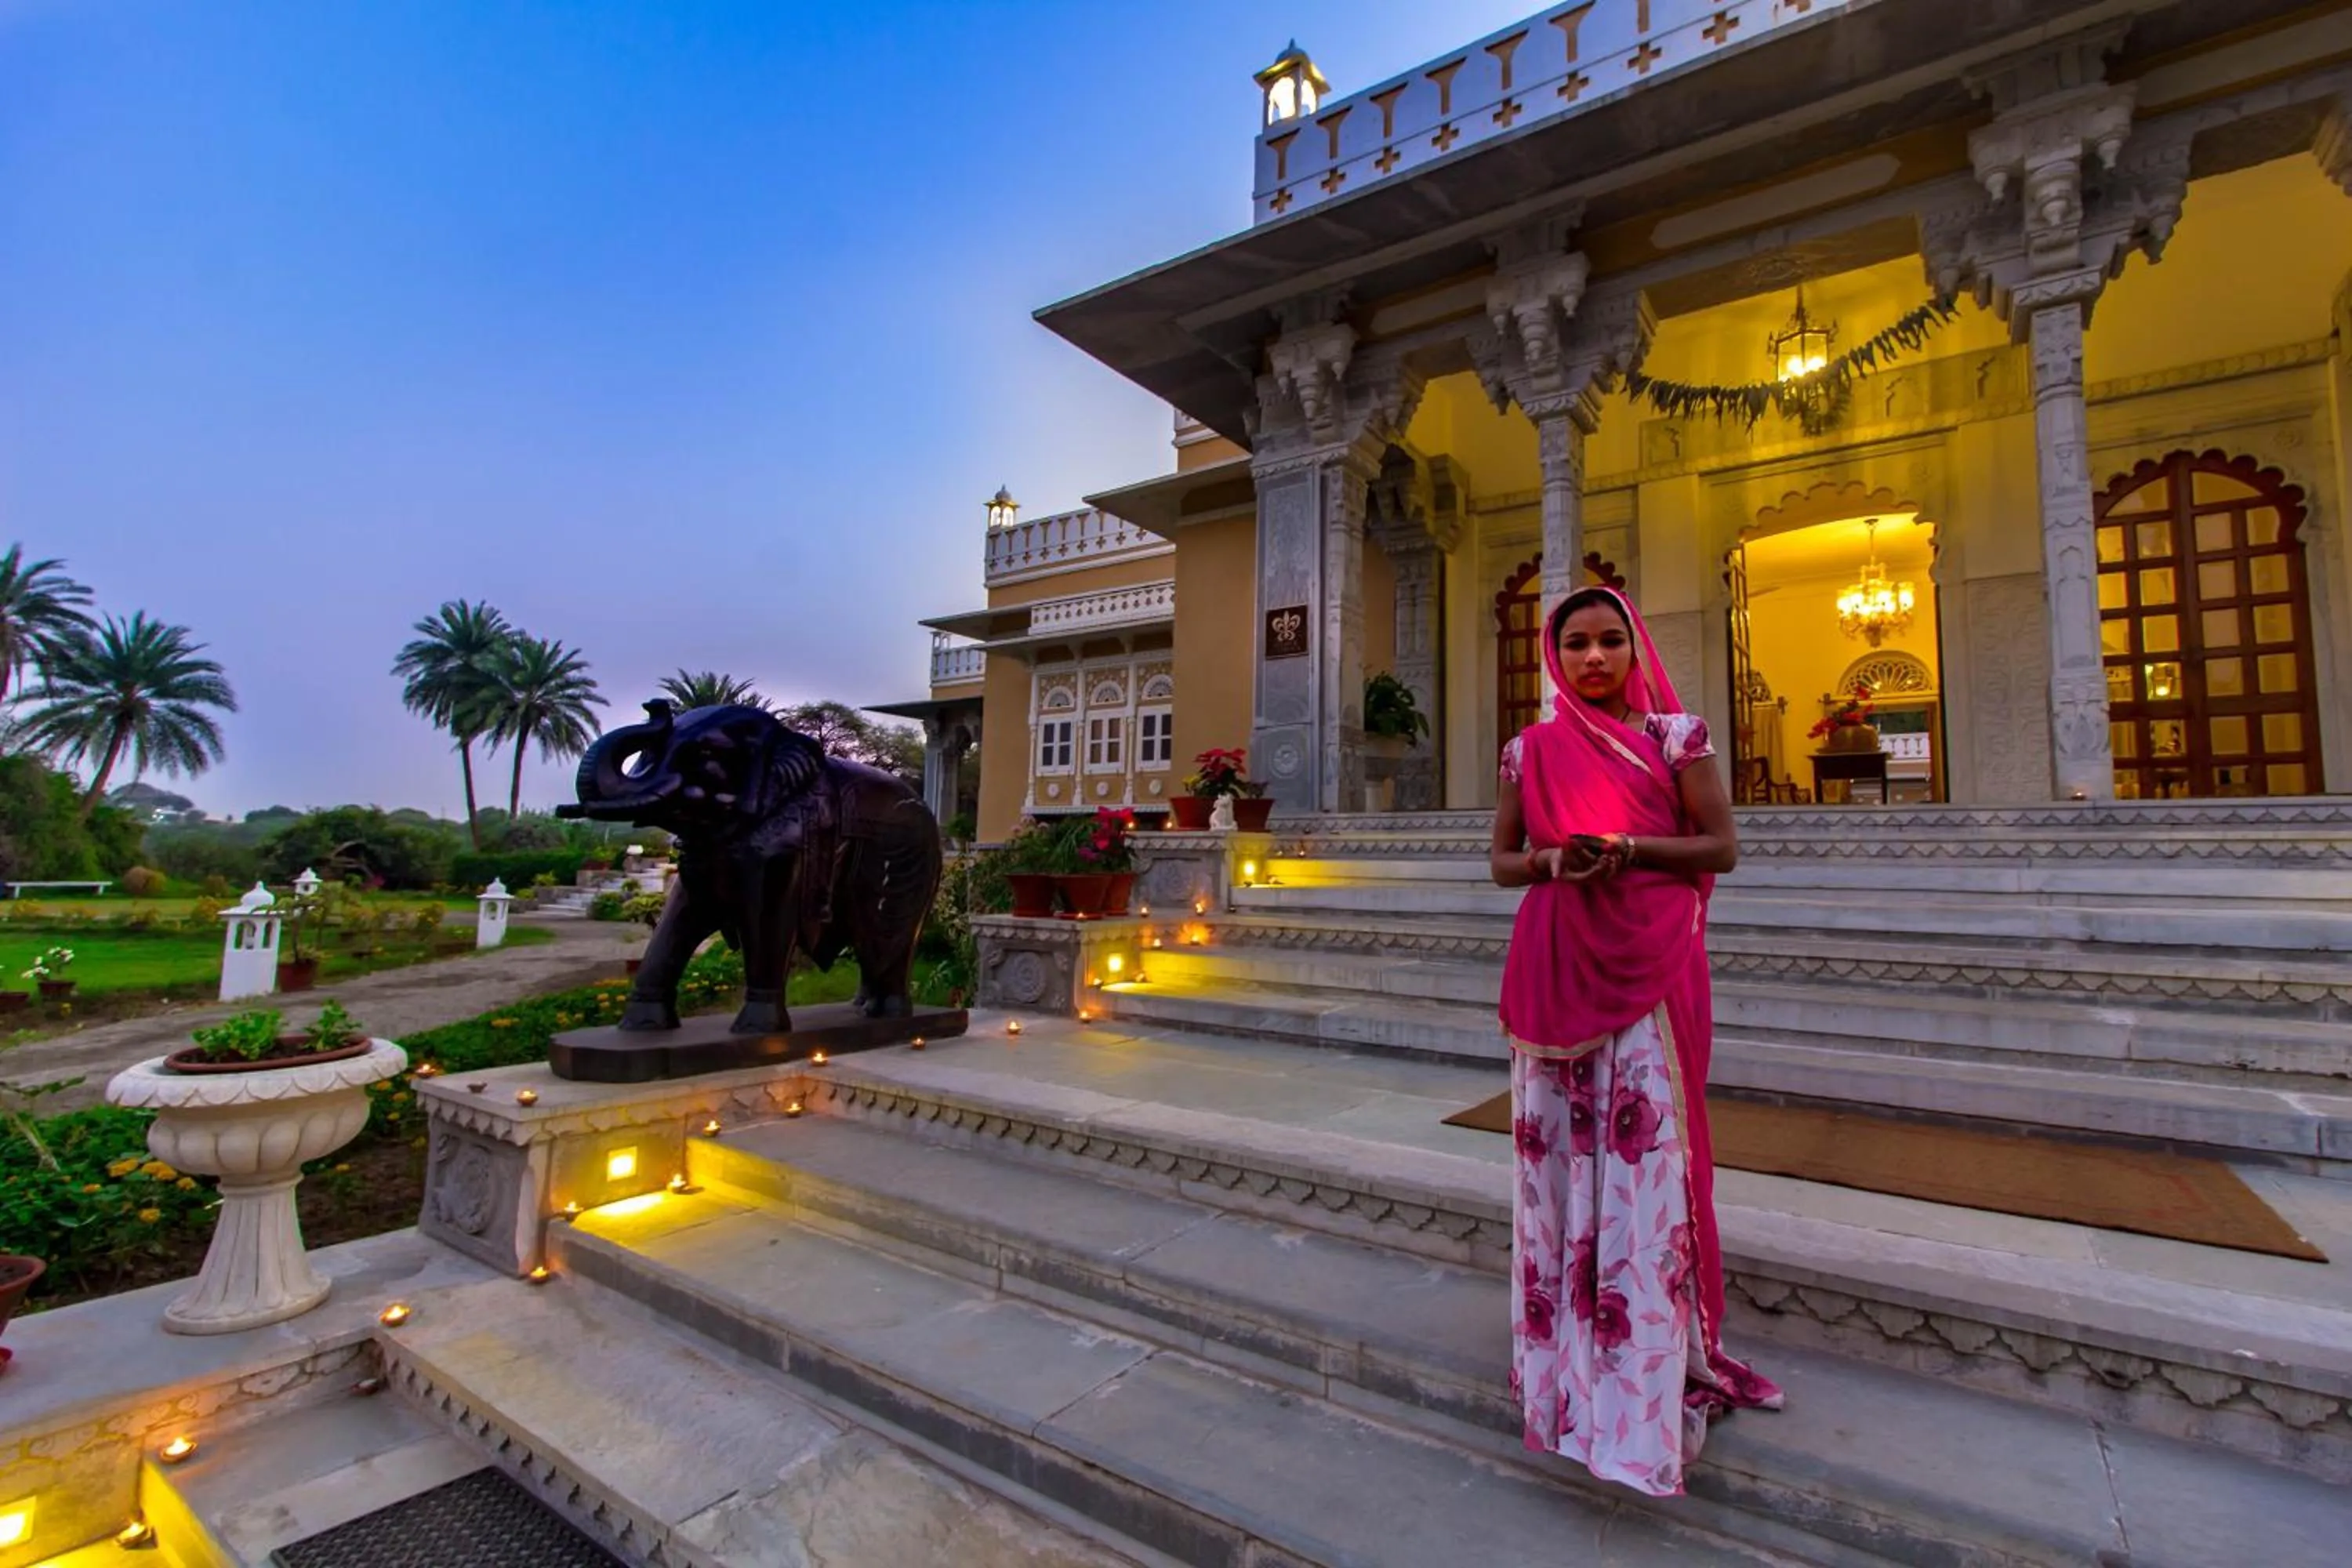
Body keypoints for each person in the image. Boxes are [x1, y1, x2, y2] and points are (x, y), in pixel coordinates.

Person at [1488, 584, 1781, 1498]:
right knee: (1561, 1171)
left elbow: (1721, 846)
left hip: (1648, 968)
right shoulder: (1528, 749)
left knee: (1645, 1171)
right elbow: (1502, 861)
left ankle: (1642, 1380)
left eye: (1611, 640)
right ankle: (1566, 1365)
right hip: (1555, 960)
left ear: (1634, 646)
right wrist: (1550, 860)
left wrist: (1627, 846)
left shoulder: (1675, 738)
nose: (1593, 658)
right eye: (1575, 643)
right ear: (1555, 654)